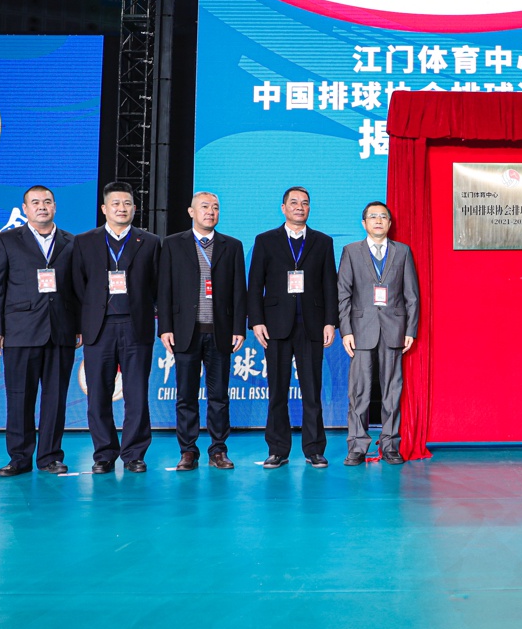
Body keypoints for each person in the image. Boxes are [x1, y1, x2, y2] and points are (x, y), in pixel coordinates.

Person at [0, 185, 78, 476]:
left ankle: (50, 457)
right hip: (20, 332)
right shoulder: (6, 240)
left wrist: (79, 326)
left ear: (55, 206)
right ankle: (19, 458)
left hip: (61, 332)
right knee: (19, 398)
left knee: (55, 399)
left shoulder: (72, 242)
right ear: (25, 209)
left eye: (47, 201)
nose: (42, 207)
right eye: (35, 202)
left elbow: (79, 289)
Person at [71, 181, 161, 474]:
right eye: (116, 204)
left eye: (127, 204)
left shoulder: (149, 242)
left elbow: (158, 286)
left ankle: (134, 453)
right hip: (99, 328)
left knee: (136, 394)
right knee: (98, 394)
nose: (122, 209)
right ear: (104, 208)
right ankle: (104, 453)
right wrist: (79, 325)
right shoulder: (85, 241)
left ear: (134, 208)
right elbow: (77, 287)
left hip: (137, 327)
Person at [248, 186, 338, 469]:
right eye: (294, 202)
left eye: (305, 203)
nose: (300, 207)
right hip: (275, 325)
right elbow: (255, 285)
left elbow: (330, 285)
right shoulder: (265, 240)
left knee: (312, 391)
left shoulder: (323, 242)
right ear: (283, 208)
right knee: (277, 391)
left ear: (309, 209)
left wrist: (330, 322)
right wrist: (256, 321)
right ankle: (277, 450)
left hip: (312, 326)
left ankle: (314, 449)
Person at [157, 192, 247, 471]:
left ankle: (218, 449)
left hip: (220, 332)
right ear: (191, 211)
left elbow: (239, 290)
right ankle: (188, 450)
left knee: (219, 396)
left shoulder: (232, 246)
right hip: (186, 332)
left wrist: (239, 328)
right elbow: (164, 288)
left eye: (215, 207)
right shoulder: (173, 244)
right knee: (185, 395)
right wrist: (165, 327)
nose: (210, 212)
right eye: (205, 207)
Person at [337, 202, 420, 466]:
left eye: (383, 217)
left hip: (394, 329)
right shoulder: (351, 251)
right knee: (359, 390)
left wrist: (410, 329)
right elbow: (343, 294)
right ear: (364, 223)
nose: (378, 220)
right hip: (361, 329)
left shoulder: (402, 251)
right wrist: (346, 330)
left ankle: (390, 444)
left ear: (389, 223)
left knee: (392, 390)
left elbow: (412, 295)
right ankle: (357, 446)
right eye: (372, 217)